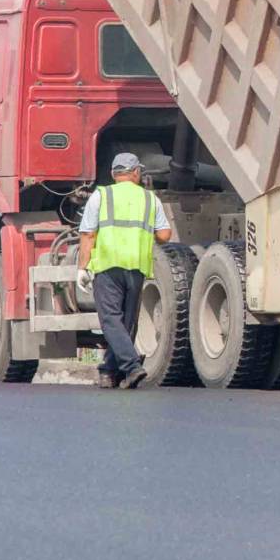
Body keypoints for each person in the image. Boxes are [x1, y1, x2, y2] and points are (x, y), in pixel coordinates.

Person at [77, 152, 173, 388]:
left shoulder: (102, 196)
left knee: (111, 320)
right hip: (137, 267)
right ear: (136, 173)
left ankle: (131, 366)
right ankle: (108, 373)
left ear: (113, 174)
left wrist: (82, 268)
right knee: (125, 323)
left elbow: (88, 234)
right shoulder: (150, 199)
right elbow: (164, 235)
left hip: (108, 266)